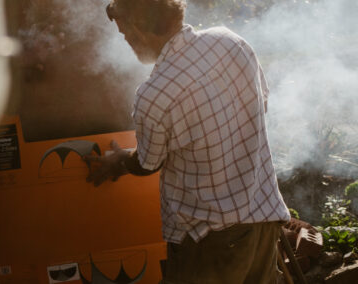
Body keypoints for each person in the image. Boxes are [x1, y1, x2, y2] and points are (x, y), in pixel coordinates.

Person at [83, 0, 291, 283]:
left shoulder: (154, 94)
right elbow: (259, 106)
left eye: (124, 34)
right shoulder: (232, 42)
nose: (126, 42)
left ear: (138, 29)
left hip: (209, 241)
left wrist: (119, 161)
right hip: (262, 222)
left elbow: (147, 163)